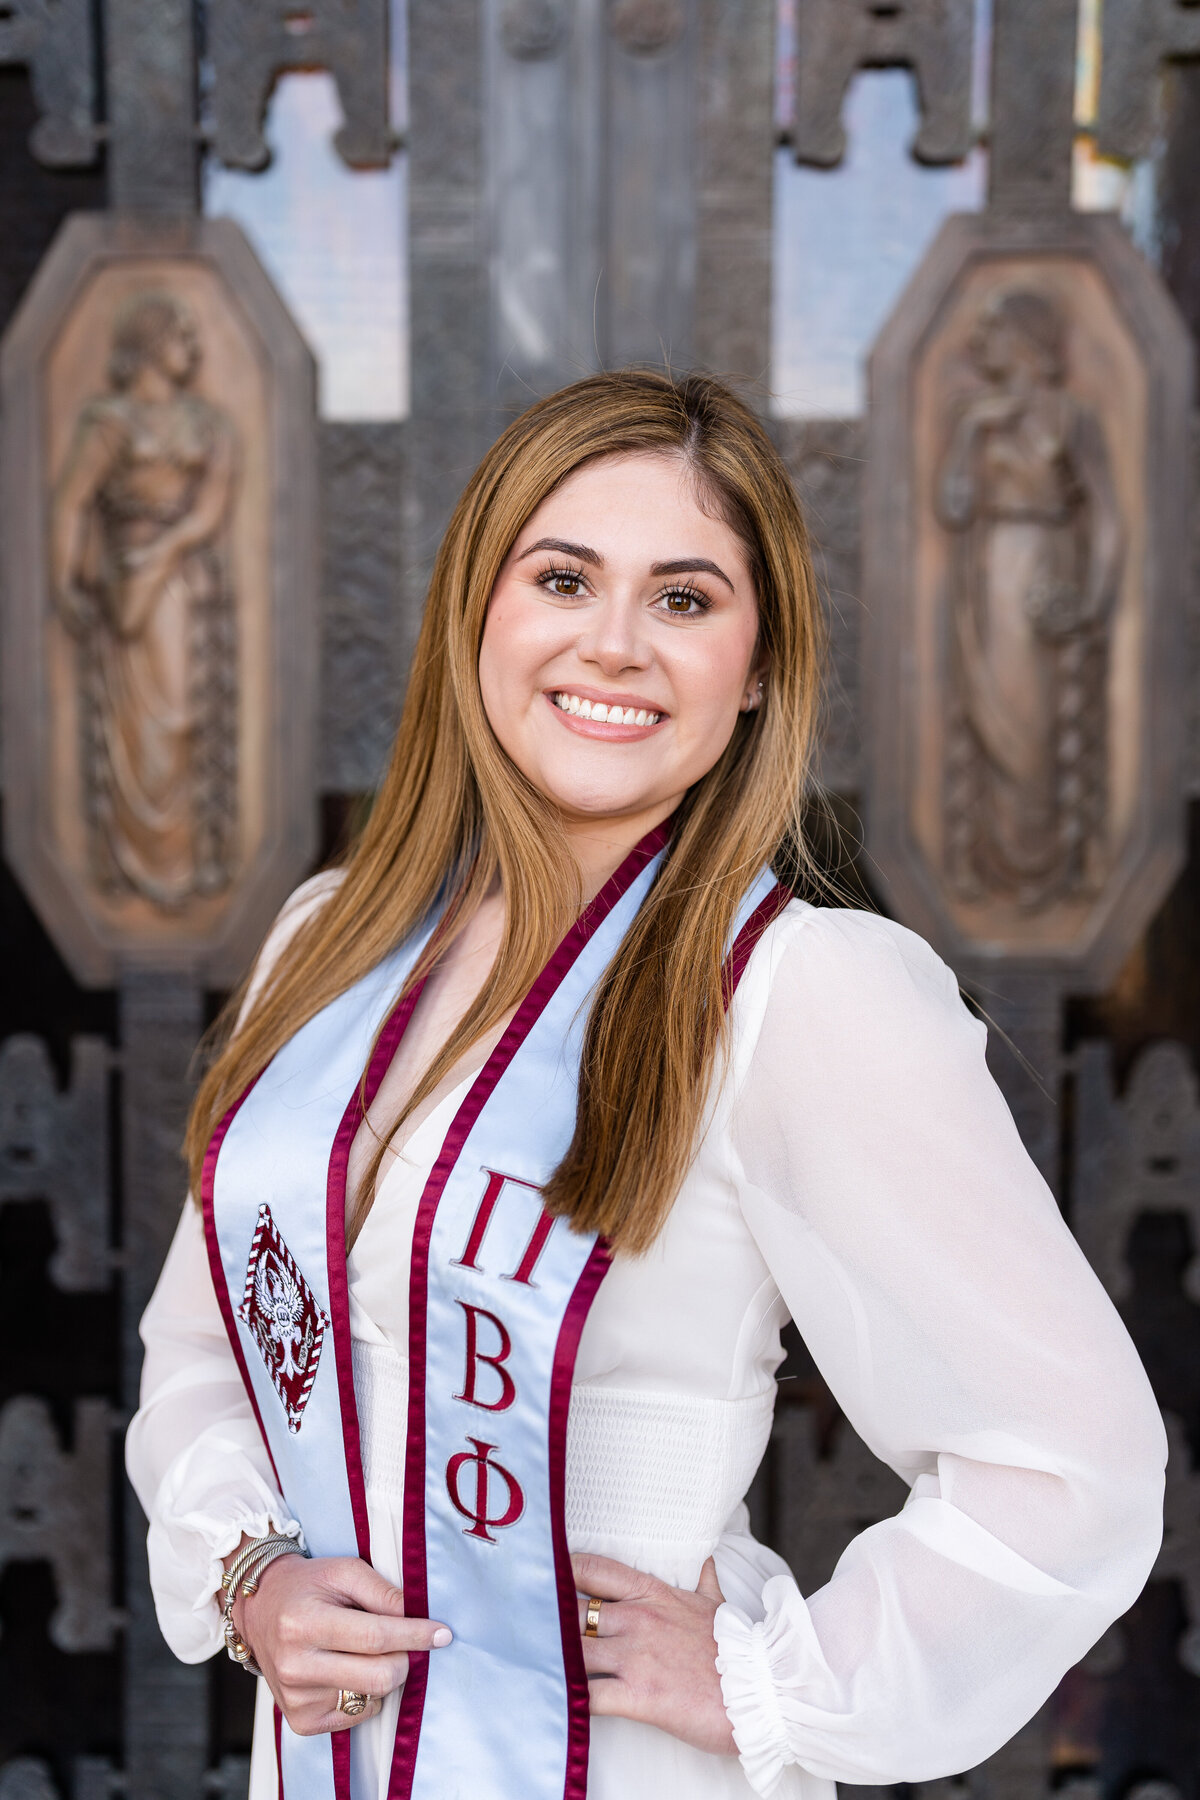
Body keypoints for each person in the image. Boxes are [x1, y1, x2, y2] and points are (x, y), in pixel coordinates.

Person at [127, 371, 1164, 1800]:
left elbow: (1074, 1460)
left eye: (685, 599)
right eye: (562, 579)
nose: (614, 646)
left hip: (615, 1762)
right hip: (336, 1759)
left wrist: (773, 1680)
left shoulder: (804, 993)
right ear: (477, 612)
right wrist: (248, 1572)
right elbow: (209, 1349)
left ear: (755, 671)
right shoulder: (335, 939)